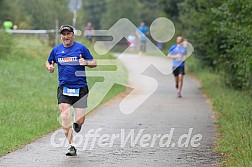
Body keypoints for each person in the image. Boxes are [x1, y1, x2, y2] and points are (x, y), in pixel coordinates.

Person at [46, 25, 97, 156]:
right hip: (64, 88)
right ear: (61, 36)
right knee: (64, 115)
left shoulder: (81, 48)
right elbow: (48, 62)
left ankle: (77, 123)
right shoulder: (56, 50)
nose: (66, 37)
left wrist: (85, 62)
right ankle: (71, 145)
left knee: (80, 120)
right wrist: (50, 67)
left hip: (80, 88)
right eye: (64, 34)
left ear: (73, 35)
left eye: (68, 34)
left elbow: (94, 62)